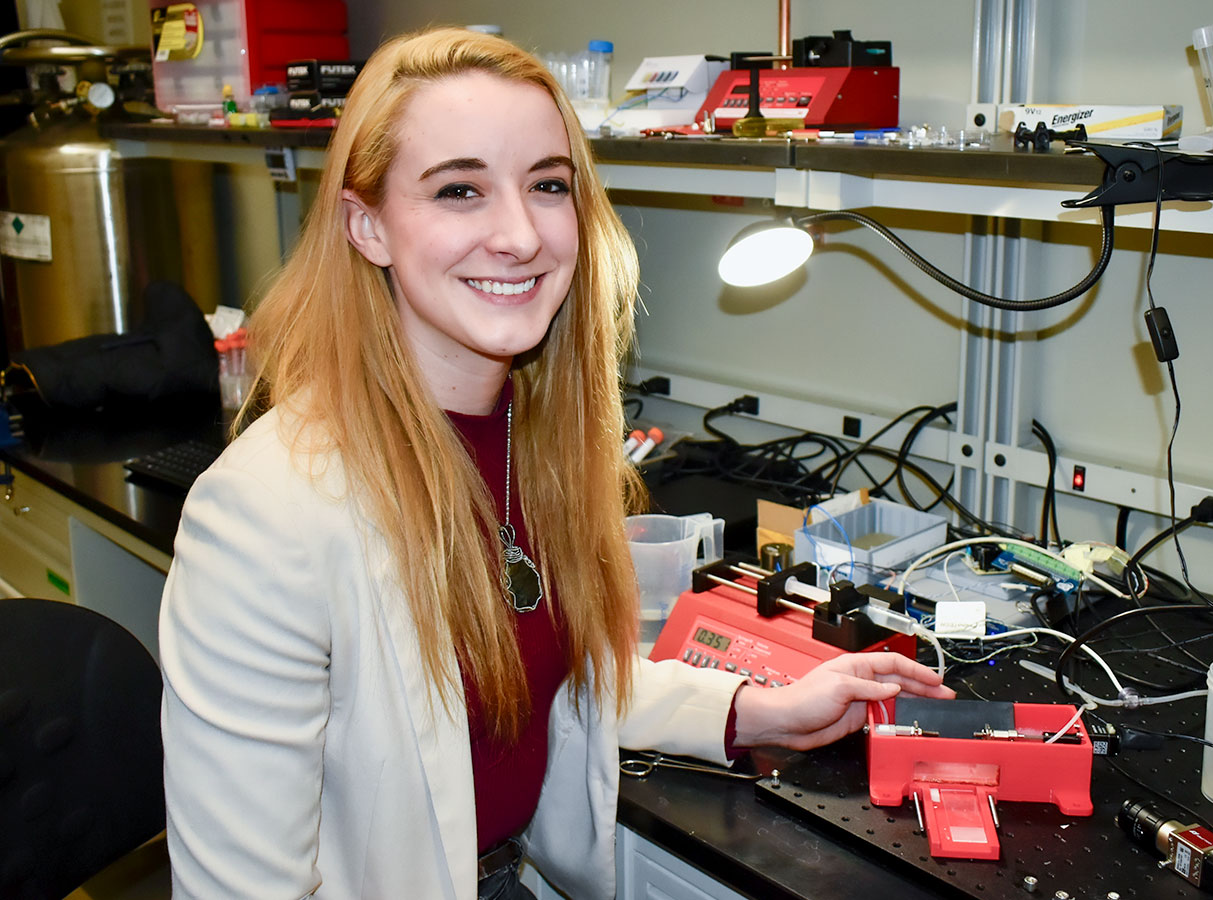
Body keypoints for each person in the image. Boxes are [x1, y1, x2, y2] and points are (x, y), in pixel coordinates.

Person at [158, 25, 953, 900]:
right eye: (459, 189)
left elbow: (555, 686)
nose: (520, 235)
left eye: (547, 186)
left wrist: (755, 708)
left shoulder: (532, 437)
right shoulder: (265, 515)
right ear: (367, 226)